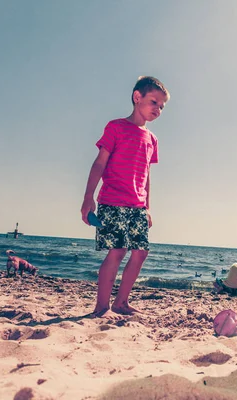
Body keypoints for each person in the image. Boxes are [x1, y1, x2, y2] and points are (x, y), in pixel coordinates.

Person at [80, 76, 170, 317]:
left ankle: (121, 302)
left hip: (138, 205)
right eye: (154, 102)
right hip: (112, 200)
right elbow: (99, 164)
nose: (158, 109)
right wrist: (88, 198)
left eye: (162, 106)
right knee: (117, 251)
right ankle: (101, 307)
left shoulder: (152, 139)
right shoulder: (116, 127)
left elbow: (146, 175)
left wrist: (148, 207)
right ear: (137, 97)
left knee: (141, 252)